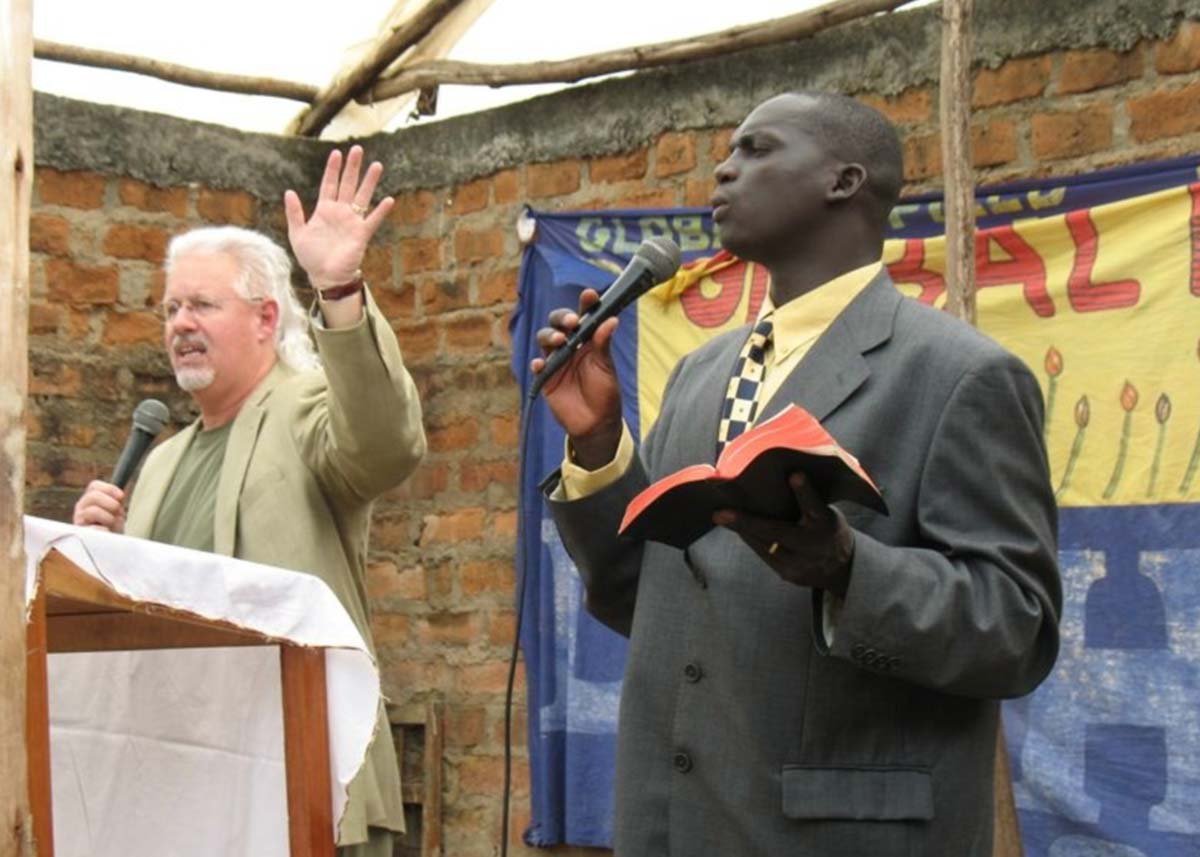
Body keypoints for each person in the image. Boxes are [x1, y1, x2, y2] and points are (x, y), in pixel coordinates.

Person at [532, 92, 1062, 856]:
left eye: (757, 148)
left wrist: (850, 569)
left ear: (843, 181)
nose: (724, 167)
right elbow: (648, 603)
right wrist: (598, 447)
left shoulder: (958, 376)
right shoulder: (697, 373)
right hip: (672, 824)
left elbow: (1018, 628)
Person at [72, 145, 426, 856]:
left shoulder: (305, 409)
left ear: (266, 319)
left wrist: (340, 288)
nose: (179, 322)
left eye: (202, 303)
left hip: (295, 777)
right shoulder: (163, 459)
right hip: (179, 787)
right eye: (171, 307)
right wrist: (88, 558)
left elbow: (386, 444)